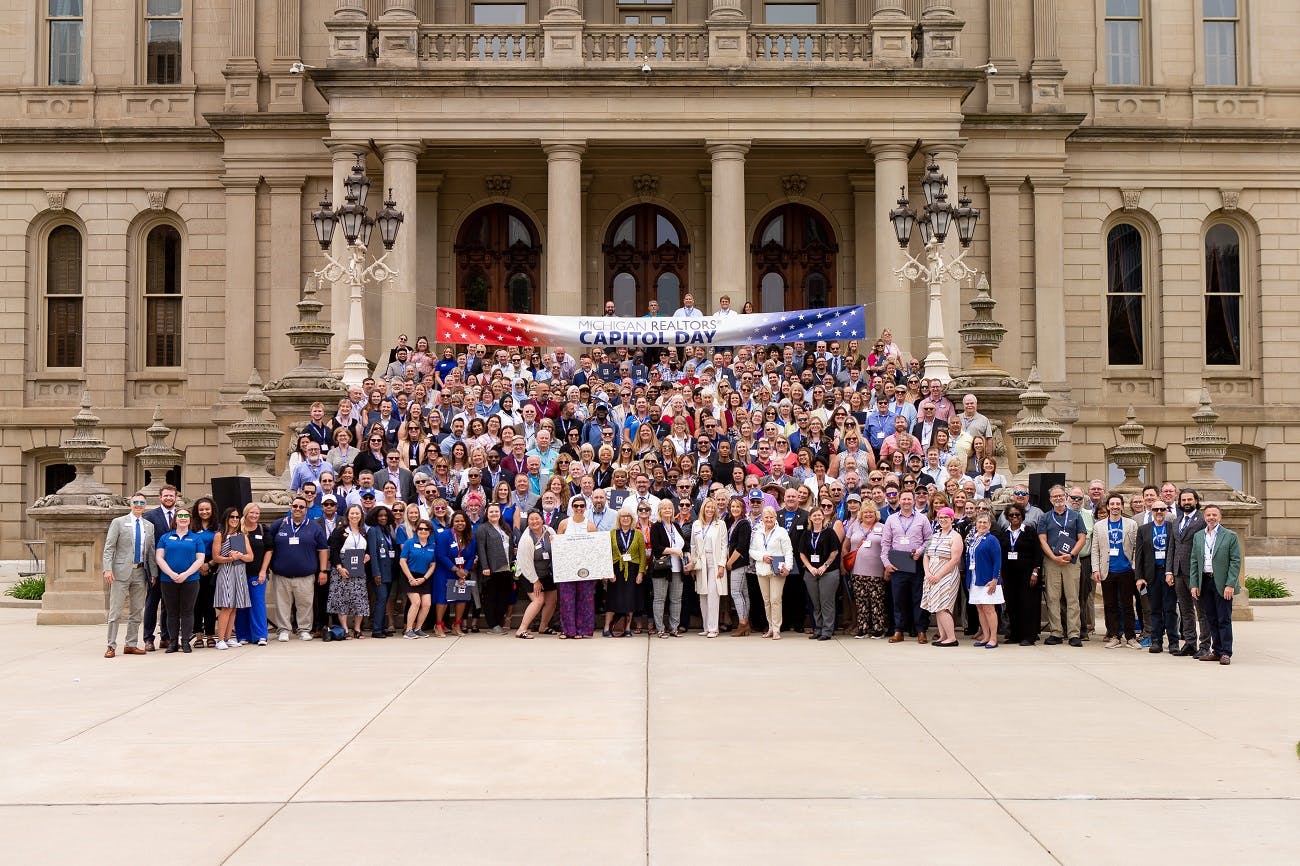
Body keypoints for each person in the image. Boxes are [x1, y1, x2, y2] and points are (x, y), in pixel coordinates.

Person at [265, 495, 330, 642]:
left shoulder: (314, 527)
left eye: (301, 507)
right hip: (281, 575)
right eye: (295, 506)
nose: (298, 509)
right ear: (291, 507)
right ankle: (283, 630)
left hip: (305, 575)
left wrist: (323, 570)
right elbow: (269, 547)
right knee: (282, 604)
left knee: (305, 604)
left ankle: (304, 629)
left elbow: (323, 550)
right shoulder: (279, 525)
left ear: (306, 509)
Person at [101, 491, 156, 658]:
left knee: (137, 611)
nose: (138, 506)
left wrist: (153, 572)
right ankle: (111, 645)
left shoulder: (149, 526)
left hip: (140, 572)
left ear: (145, 506)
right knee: (116, 611)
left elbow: (151, 552)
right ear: (130, 504)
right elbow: (109, 547)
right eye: (136, 502)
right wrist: (107, 569)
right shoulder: (118, 522)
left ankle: (131, 644)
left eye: (141, 503)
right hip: (120, 572)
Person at [1189, 505, 1242, 665]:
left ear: (1220, 517)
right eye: (1208, 515)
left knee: (1223, 618)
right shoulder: (1198, 536)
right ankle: (1216, 651)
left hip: (1222, 583)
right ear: (1204, 517)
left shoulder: (1230, 536)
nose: (1211, 517)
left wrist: (1230, 584)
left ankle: (1226, 652)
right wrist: (1194, 584)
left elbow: (1235, 561)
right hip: (1204, 581)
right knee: (1210, 617)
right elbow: (1194, 561)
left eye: (1214, 515)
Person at [880, 490, 933, 643]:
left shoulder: (922, 519)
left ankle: (920, 630)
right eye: (904, 499)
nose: (906, 502)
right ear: (899, 500)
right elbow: (885, 544)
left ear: (914, 500)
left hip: (916, 563)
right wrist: (887, 563)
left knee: (918, 598)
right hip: (897, 564)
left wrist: (920, 551)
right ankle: (898, 630)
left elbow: (929, 539)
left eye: (909, 499)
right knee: (898, 599)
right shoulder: (891, 519)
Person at [1037, 485, 1087, 647]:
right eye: (1054, 497)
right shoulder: (1045, 517)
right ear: (1050, 499)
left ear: (1066, 497)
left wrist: (1071, 554)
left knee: (1072, 597)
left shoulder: (1075, 516)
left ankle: (1073, 633)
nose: (1058, 499)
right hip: (1052, 561)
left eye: (1060, 496)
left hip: (1071, 561)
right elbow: (1042, 539)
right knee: (1053, 597)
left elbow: (1082, 538)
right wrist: (1052, 557)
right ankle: (1056, 632)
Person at [1091, 493, 1139, 649]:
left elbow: (1135, 548)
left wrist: (1133, 566)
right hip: (1107, 570)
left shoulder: (1131, 524)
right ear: (1108, 506)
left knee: (1127, 605)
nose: (1115, 507)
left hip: (1126, 570)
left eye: (1118, 504)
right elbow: (1095, 549)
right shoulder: (1099, 526)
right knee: (1110, 605)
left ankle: (1130, 636)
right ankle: (1114, 635)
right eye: (1112, 504)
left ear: (1122, 506)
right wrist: (1096, 569)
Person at [1166, 487, 1210, 657]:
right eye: (1183, 500)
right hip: (1177, 572)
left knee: (1201, 611)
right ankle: (1190, 643)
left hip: (1195, 573)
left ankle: (1205, 645)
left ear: (1196, 501)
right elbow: (1172, 547)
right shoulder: (1176, 521)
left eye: (1189, 500)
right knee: (1185, 610)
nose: (1186, 503)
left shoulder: (1202, 520)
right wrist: (1169, 571)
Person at [154, 507, 205, 654]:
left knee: (187, 611)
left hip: (191, 580)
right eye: (180, 515)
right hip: (168, 580)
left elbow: (200, 559)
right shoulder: (165, 537)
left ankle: (185, 642)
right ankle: (173, 642)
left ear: (190, 520)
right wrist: (171, 573)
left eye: (186, 516)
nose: (183, 518)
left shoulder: (196, 538)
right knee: (171, 612)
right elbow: (159, 557)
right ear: (175, 519)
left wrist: (186, 574)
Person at [1134, 496, 1177, 653]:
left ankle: (1173, 642)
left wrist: (1172, 571)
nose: (1159, 512)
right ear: (1151, 511)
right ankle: (1156, 641)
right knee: (1155, 609)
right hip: (1151, 575)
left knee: (1170, 608)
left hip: (1168, 573)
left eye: (1162, 509)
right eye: (1156, 509)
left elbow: (1176, 552)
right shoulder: (1144, 529)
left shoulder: (1173, 527)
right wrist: (1139, 577)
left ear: (1166, 511)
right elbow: (1139, 555)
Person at [998, 503, 1042, 646]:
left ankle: (1029, 636)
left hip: (1027, 574)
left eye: (1017, 514)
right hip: (1010, 575)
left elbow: (1037, 553)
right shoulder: (1005, 533)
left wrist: (1035, 572)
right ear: (1007, 517)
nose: (1015, 517)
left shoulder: (1029, 531)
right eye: (1011, 515)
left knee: (1027, 604)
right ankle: (1015, 634)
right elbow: (1002, 555)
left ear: (1022, 515)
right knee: (1012, 604)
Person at [141, 484, 178, 651]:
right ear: (160, 497)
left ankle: (166, 636)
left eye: (171, 496)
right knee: (152, 602)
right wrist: (150, 569)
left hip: (175, 567)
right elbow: (146, 546)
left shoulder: (181, 515)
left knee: (168, 604)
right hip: (155, 568)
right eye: (166, 496)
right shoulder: (150, 516)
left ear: (176, 497)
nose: (169, 498)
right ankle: (148, 638)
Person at [210, 507, 253, 650]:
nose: (234, 519)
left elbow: (250, 557)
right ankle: (220, 639)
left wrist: (239, 556)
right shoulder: (219, 535)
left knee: (234, 607)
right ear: (226, 518)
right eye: (231, 517)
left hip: (240, 573)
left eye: (236, 517)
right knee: (226, 606)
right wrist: (229, 558)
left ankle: (228, 638)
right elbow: (216, 557)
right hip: (226, 572)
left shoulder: (242, 536)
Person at [327, 504, 372, 639]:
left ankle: (357, 629)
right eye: (352, 513)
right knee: (343, 599)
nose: (355, 516)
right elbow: (333, 550)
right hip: (342, 568)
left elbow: (367, 550)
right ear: (347, 515)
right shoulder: (340, 530)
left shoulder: (364, 532)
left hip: (358, 569)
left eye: (357, 513)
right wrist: (339, 567)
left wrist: (367, 556)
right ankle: (345, 629)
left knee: (360, 599)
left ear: (361, 516)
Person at [920, 507, 964, 647]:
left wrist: (938, 575)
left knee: (943, 606)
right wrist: (927, 573)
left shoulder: (955, 536)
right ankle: (943, 635)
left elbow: (955, 559)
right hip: (931, 574)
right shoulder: (935, 535)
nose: (943, 520)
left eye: (946, 517)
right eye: (941, 517)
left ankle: (951, 637)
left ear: (952, 519)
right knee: (936, 606)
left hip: (947, 574)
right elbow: (926, 555)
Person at [750, 506, 793, 639]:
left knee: (775, 599)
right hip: (762, 569)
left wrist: (788, 567)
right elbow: (751, 550)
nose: (769, 519)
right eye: (766, 517)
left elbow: (788, 551)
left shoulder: (781, 532)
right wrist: (762, 557)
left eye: (771, 517)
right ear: (762, 519)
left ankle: (776, 629)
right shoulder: (757, 532)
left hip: (777, 570)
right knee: (767, 600)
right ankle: (770, 627)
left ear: (775, 518)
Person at [799, 503, 841, 641]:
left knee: (826, 602)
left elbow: (834, 551)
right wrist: (810, 568)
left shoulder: (829, 532)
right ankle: (817, 628)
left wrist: (824, 566)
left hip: (828, 572)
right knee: (815, 602)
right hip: (811, 572)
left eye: (819, 515)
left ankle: (827, 630)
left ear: (823, 517)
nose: (817, 517)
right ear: (810, 518)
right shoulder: (806, 534)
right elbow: (802, 554)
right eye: (814, 515)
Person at [649, 499, 688, 638]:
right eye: (664, 508)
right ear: (659, 511)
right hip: (662, 569)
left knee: (676, 599)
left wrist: (688, 556)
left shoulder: (676, 526)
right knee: (659, 599)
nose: (667, 510)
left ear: (673, 511)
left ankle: (674, 628)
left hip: (677, 568)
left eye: (669, 508)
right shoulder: (656, 527)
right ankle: (660, 629)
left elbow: (684, 545)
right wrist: (673, 551)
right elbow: (657, 548)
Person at [233, 504, 271, 647]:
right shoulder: (238, 530)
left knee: (257, 604)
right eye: (252, 513)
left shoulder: (263, 529)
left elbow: (269, 550)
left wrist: (263, 571)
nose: (254, 515)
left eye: (257, 513)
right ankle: (243, 635)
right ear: (246, 513)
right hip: (240, 573)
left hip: (257, 574)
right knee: (241, 605)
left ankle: (261, 635)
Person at [474, 503, 515, 634]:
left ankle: (498, 622)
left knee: (504, 597)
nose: (494, 514)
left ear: (500, 513)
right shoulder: (483, 528)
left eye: (496, 511)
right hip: (491, 569)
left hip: (506, 568)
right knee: (490, 597)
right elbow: (481, 549)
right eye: (491, 512)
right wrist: (485, 566)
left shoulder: (505, 527)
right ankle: (493, 624)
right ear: (487, 513)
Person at [514, 510, 556, 638]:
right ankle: (521, 629)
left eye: (537, 518)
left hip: (545, 572)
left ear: (542, 519)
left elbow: (556, 549)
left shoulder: (550, 531)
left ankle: (543, 626)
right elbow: (526, 564)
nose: (534, 521)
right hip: (528, 574)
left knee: (552, 600)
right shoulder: (526, 539)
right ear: (528, 522)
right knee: (539, 600)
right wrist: (535, 581)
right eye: (531, 519)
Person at [690, 498, 728, 638]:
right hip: (701, 560)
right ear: (703, 509)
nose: (710, 510)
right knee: (703, 594)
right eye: (708, 507)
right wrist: (693, 564)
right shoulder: (696, 524)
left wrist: (721, 564)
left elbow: (724, 546)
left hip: (714, 560)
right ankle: (706, 627)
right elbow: (693, 545)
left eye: (713, 507)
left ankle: (713, 628)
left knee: (713, 594)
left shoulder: (720, 524)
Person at [606, 509, 647, 637]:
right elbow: (607, 554)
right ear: (619, 519)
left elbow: (642, 556)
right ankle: (607, 627)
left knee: (630, 599)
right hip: (616, 570)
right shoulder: (612, 533)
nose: (625, 519)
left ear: (632, 518)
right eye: (622, 516)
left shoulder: (638, 534)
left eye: (628, 516)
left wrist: (640, 573)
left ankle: (627, 628)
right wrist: (609, 572)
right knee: (612, 599)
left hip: (633, 570)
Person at [966, 513, 1004, 648]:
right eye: (980, 522)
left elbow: (997, 561)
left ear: (989, 525)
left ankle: (993, 638)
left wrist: (995, 579)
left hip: (988, 580)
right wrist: (968, 580)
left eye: (985, 523)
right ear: (976, 524)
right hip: (975, 578)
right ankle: (985, 636)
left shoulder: (992, 539)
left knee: (989, 608)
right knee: (980, 608)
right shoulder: (973, 539)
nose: (982, 525)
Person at [399, 519, 437, 638]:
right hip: (410, 576)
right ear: (416, 530)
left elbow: (433, 565)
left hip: (424, 577)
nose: (423, 531)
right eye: (420, 528)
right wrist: (411, 578)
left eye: (426, 529)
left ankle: (418, 628)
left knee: (427, 604)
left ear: (430, 531)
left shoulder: (432, 546)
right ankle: (408, 630)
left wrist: (424, 578)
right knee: (416, 602)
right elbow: (402, 561)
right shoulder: (409, 543)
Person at [723, 496, 753, 637]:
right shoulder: (732, 522)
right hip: (735, 563)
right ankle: (746, 623)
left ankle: (742, 623)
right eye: (733, 506)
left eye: (738, 507)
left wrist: (729, 562)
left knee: (735, 593)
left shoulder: (744, 524)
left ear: (742, 509)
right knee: (743, 593)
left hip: (738, 563)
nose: (735, 509)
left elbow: (741, 547)